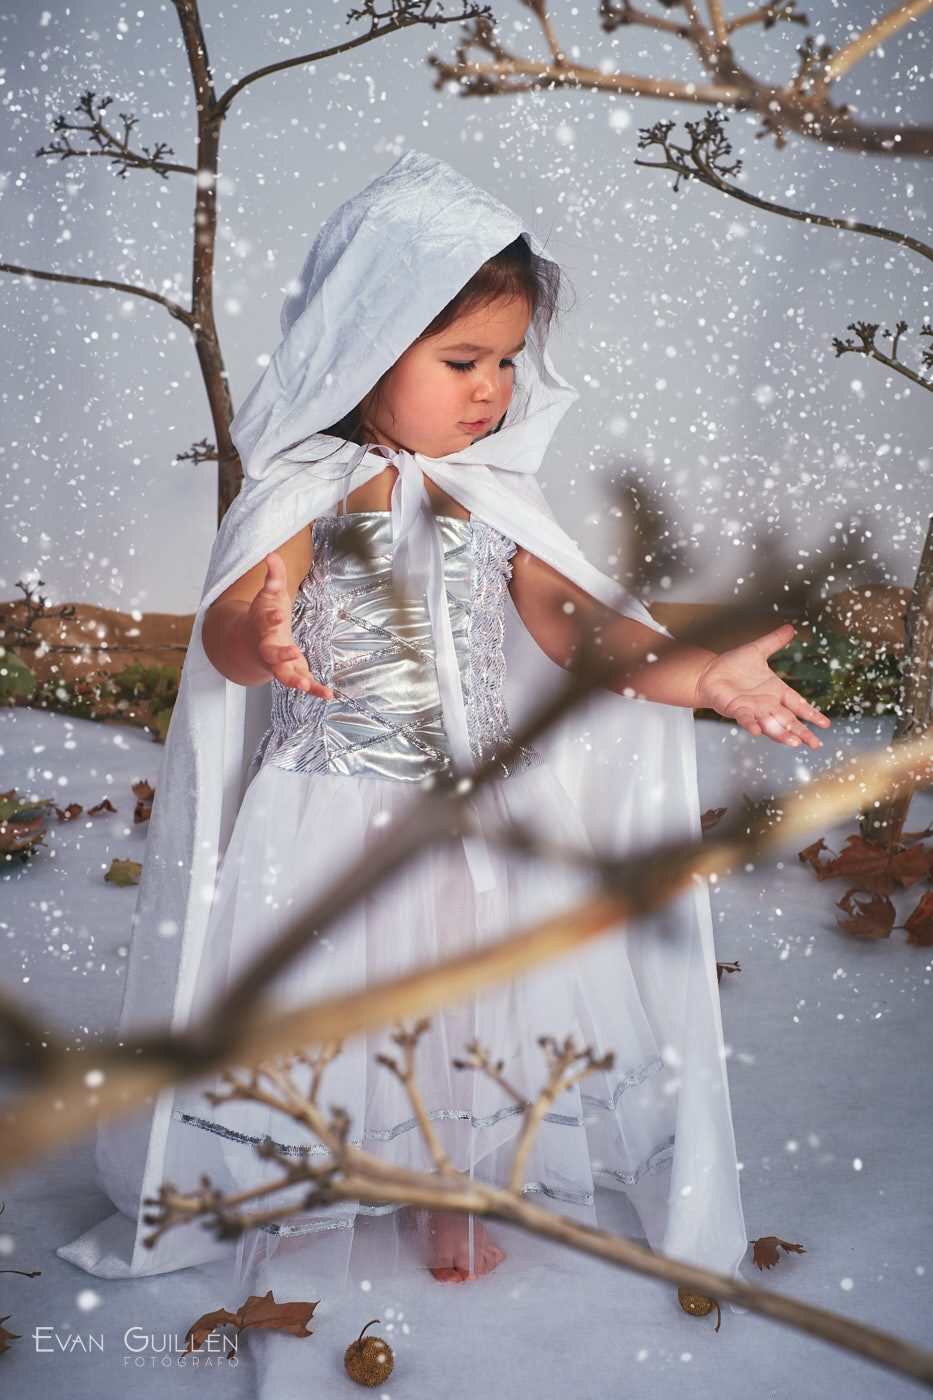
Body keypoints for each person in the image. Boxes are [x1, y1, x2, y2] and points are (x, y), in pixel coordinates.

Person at [58, 150, 829, 1296]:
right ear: (367, 348)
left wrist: (703, 673)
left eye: (508, 362)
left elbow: (573, 624)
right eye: (461, 359)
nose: (492, 389)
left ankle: (449, 1172)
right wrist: (259, 632)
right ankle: (302, 1170)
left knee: (465, 994)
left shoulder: (493, 495)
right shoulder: (306, 491)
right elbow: (232, 625)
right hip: (329, 801)